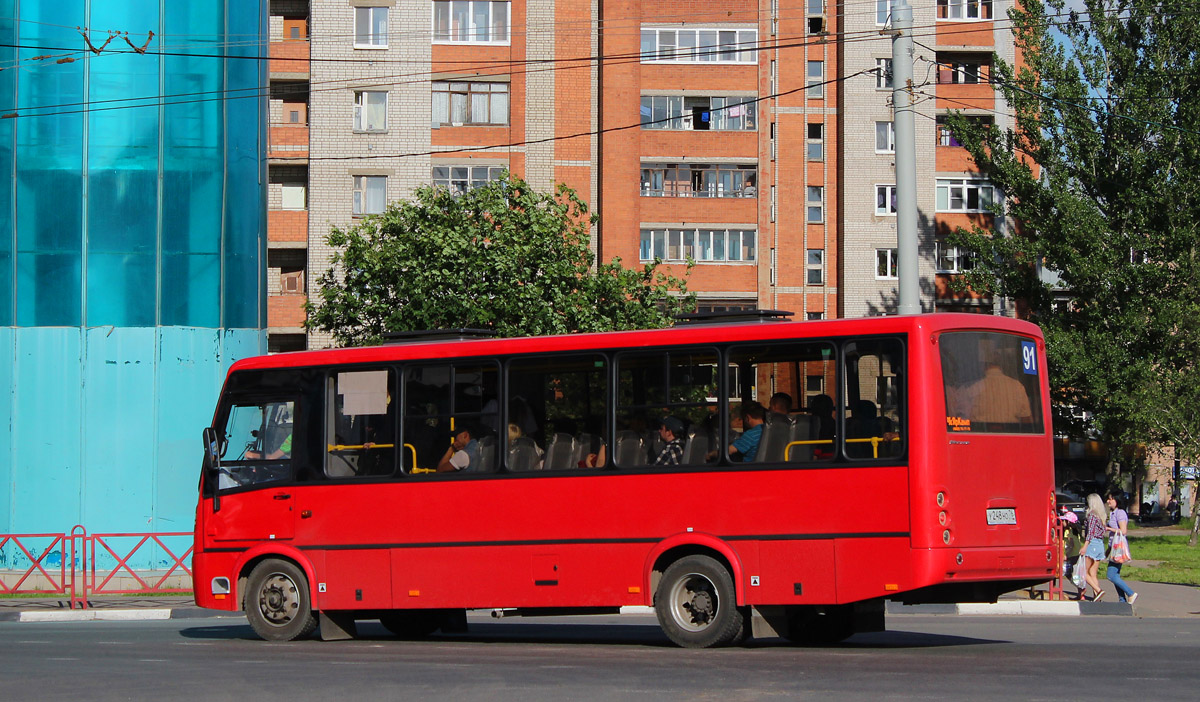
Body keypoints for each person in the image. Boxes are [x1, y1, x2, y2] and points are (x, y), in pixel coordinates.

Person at [1105, 493, 1138, 605]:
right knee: (1115, 575)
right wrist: (1107, 551)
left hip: (1118, 549)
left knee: (1111, 575)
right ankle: (1122, 600)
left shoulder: (1120, 513)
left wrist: (1108, 528)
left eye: (1110, 499)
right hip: (1113, 548)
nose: (1108, 501)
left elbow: (1123, 531)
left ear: (1117, 500)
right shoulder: (1113, 513)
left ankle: (1130, 593)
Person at [1080, 493, 1108, 601]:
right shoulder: (1100, 516)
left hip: (1092, 544)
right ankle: (1097, 596)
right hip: (1100, 544)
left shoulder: (1092, 515)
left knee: (1083, 571)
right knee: (1093, 573)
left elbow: (1090, 533)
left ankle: (1098, 590)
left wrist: (1085, 546)